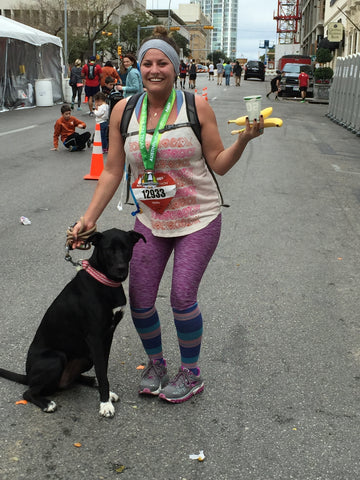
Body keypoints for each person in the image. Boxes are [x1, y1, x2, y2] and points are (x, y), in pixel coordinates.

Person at [70, 25, 264, 404]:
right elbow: (111, 170)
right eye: (147, 63)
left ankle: (191, 373)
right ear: (138, 68)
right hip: (151, 220)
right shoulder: (124, 112)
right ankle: (156, 364)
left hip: (199, 217)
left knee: (180, 297)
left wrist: (242, 139)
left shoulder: (196, 106)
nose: (154, 69)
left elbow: (219, 165)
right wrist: (88, 218)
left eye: (162, 63)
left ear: (176, 69)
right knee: (140, 299)